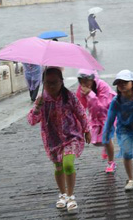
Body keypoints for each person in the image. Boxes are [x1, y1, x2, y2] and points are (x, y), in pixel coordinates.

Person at [27, 67, 91, 212]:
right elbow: (32, 120)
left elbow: (81, 113)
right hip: (52, 139)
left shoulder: (69, 96)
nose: (51, 86)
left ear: (61, 82)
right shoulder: (42, 99)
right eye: (47, 83)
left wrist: (87, 129)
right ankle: (62, 194)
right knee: (58, 167)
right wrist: (37, 108)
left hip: (71, 136)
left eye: (54, 82)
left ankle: (70, 195)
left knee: (68, 164)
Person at [76, 69, 117, 173]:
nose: (83, 84)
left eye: (86, 80)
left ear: (93, 79)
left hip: (108, 113)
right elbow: (80, 107)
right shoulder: (81, 89)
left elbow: (102, 107)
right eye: (81, 81)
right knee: (97, 142)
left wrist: (90, 94)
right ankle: (106, 147)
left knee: (107, 139)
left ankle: (111, 162)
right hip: (94, 115)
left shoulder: (102, 86)